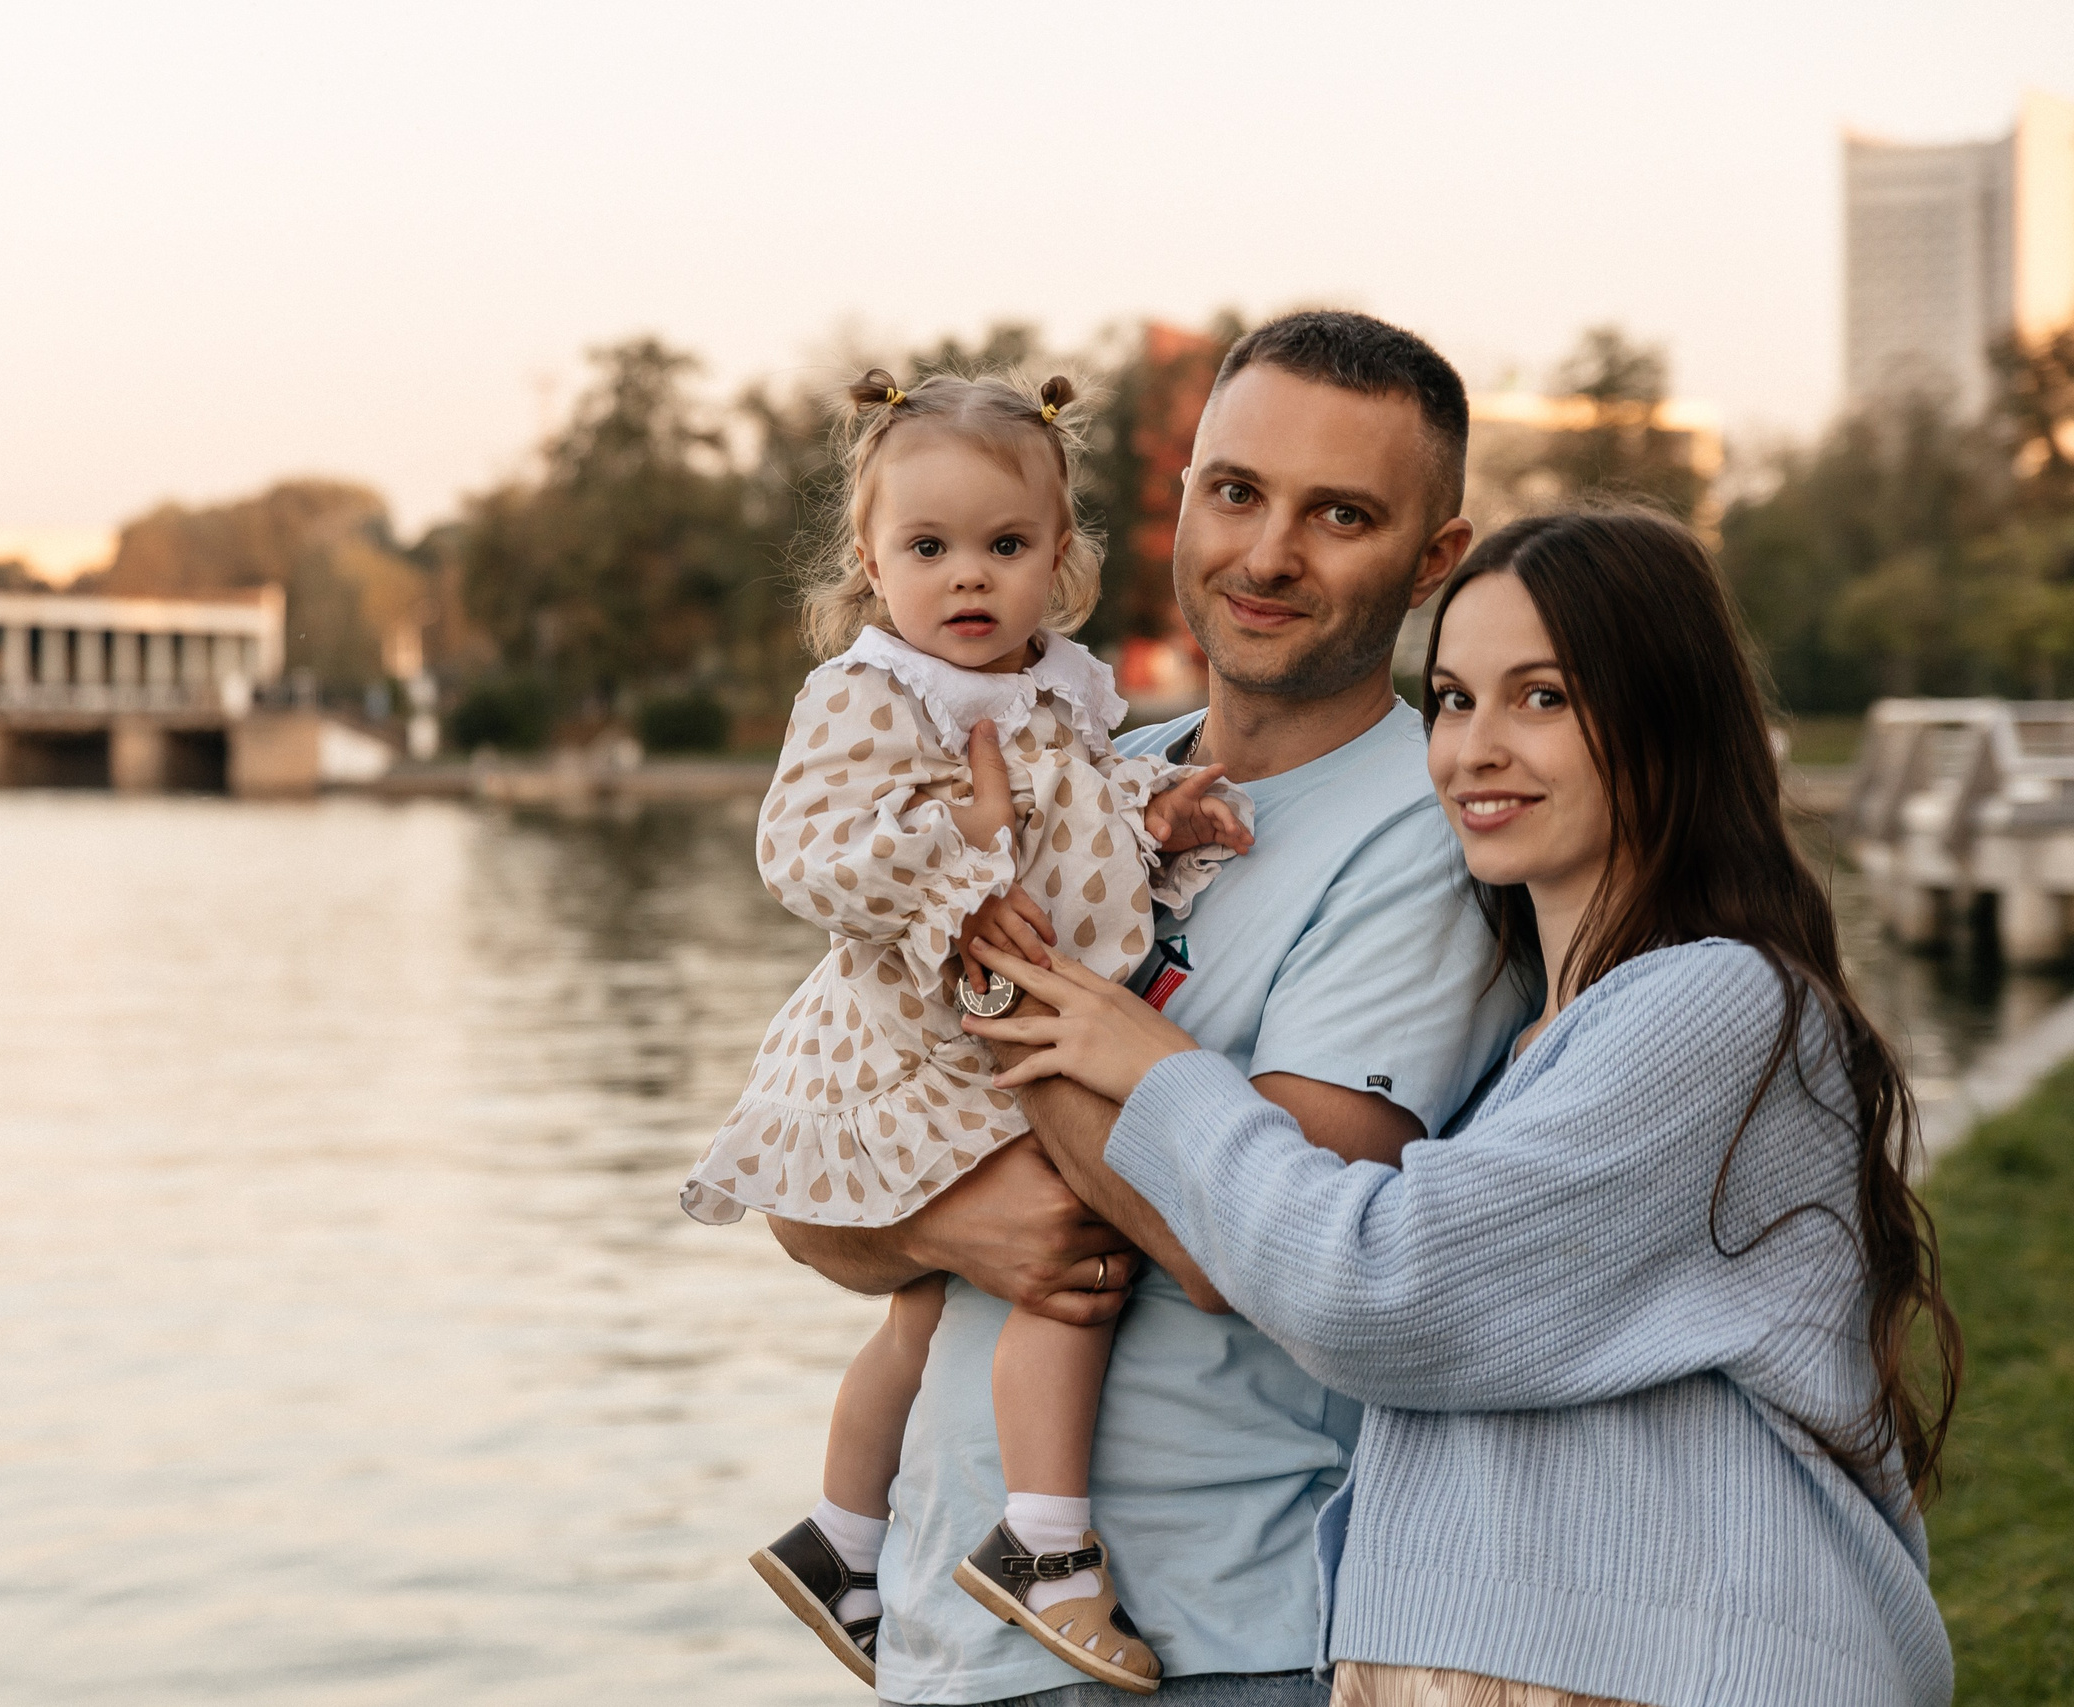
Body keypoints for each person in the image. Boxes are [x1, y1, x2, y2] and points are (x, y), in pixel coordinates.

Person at [969, 507, 1962, 1706]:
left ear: (1665, 718)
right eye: (1451, 699)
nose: (1475, 748)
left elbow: (1381, 1289)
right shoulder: (1533, 1045)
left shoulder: (1715, 1004)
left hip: (1680, 1667)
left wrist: (1159, 1071)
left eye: (1541, 697)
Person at [771, 309, 1531, 1707]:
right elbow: (806, 1180)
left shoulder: (1429, 834)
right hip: (958, 1625)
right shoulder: (1089, 765)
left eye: (1340, 514)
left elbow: (1252, 1250)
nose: (1267, 553)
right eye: (1235, 491)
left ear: (1435, 559)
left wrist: (997, 990)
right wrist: (950, 1221)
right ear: (1181, 496)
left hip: (1218, 1630)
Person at [684, 367, 1253, 1693]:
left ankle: (840, 1534)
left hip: (993, 1030)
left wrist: (1158, 819)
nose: (967, 578)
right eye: (927, 547)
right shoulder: (870, 692)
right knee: (1072, 1257)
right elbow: (800, 848)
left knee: (934, 1308)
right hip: (925, 1041)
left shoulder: (1054, 692)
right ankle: (1044, 1543)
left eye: (1005, 545)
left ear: (1062, 562)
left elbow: (1081, 820)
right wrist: (959, 846)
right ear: (871, 565)